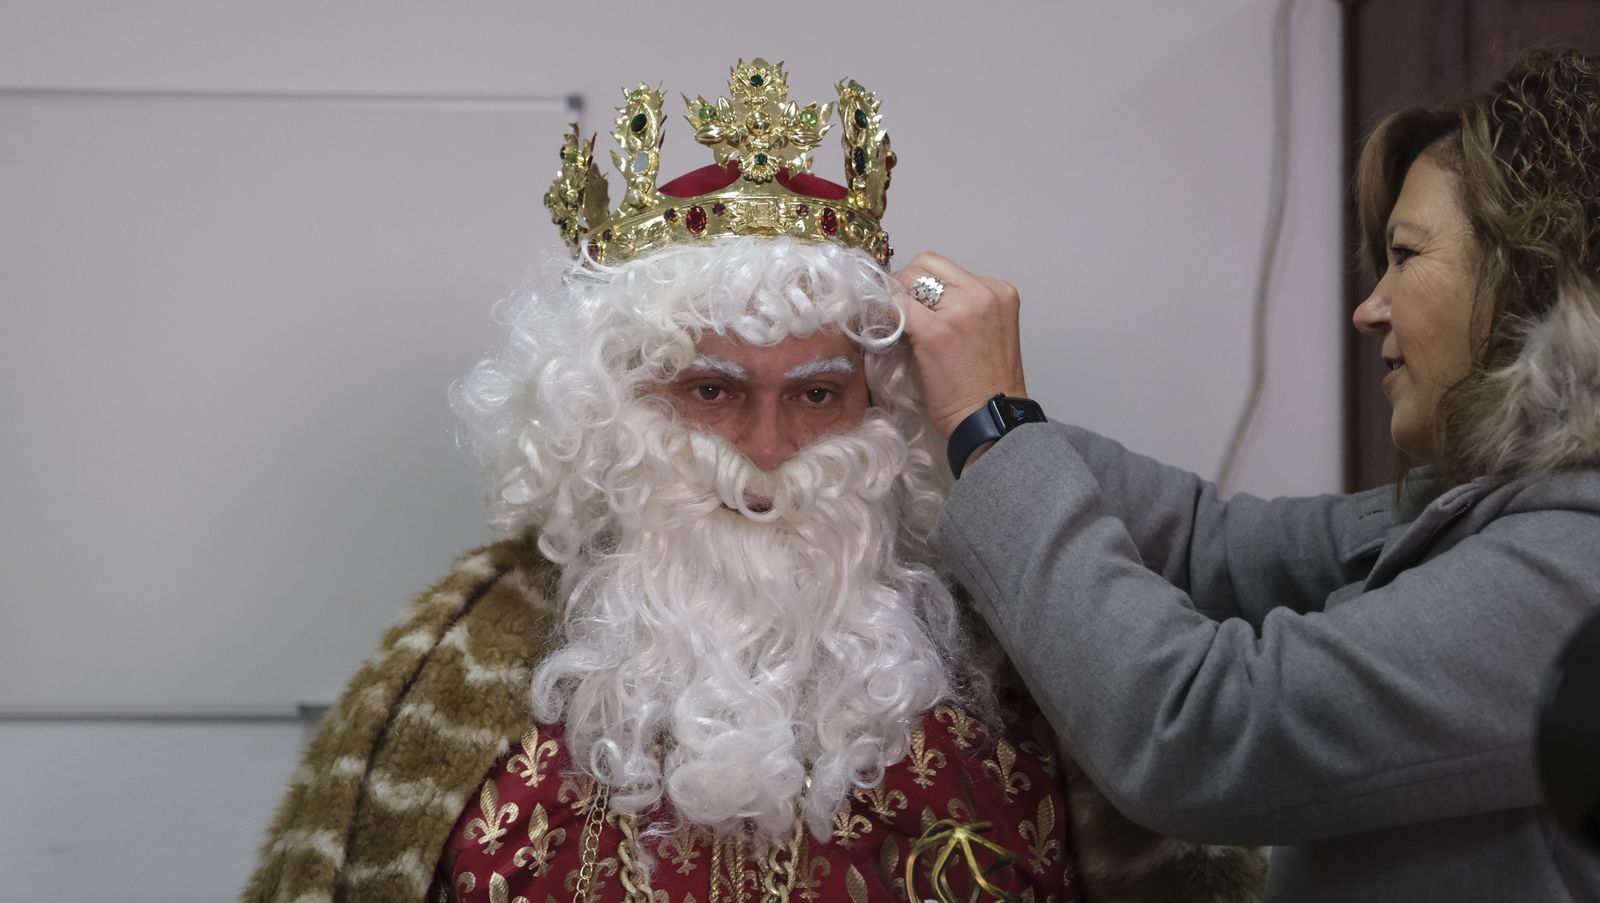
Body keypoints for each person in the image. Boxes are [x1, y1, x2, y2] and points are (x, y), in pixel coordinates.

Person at [240, 59, 1266, 903]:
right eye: (712, 391)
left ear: (884, 413)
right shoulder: (450, 654)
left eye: (817, 396)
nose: (767, 447)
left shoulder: (1026, 653)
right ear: (613, 405)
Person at [894, 48, 1600, 902]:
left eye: (1406, 256)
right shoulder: (1512, 510)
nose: (1368, 306)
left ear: (1530, 278)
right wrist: (935, 413)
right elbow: (1211, 544)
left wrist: (994, 427)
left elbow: (1201, 729)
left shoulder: (1576, 567)